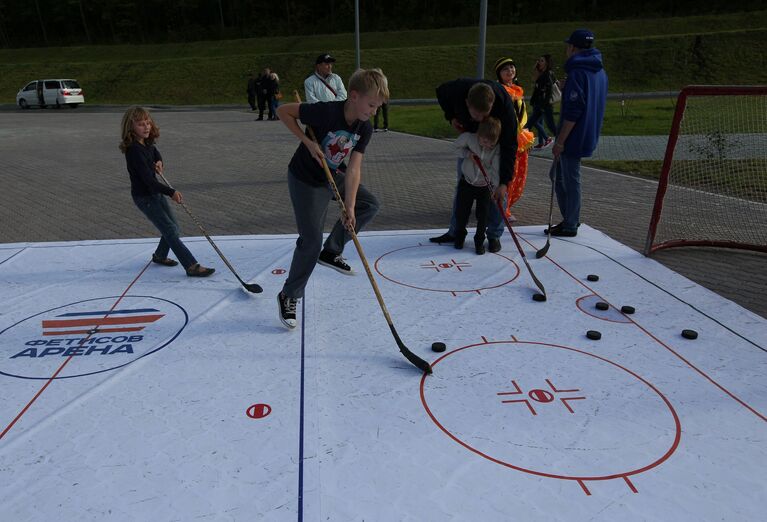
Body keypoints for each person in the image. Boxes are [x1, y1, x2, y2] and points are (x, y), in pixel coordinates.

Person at [275, 68, 387, 329]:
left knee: (367, 204)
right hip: (306, 179)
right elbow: (283, 111)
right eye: (371, 105)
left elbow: (355, 168)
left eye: (378, 107)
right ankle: (288, 295)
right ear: (355, 96)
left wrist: (348, 206)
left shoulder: (364, 127)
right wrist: (307, 142)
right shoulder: (325, 112)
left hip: (333, 174)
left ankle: (332, 251)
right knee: (310, 242)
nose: (373, 111)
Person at [119, 107, 215, 277]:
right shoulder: (134, 150)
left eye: (148, 123)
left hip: (155, 193)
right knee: (170, 230)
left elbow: (154, 152)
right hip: (145, 197)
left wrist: (159, 161)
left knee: (173, 227)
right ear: (131, 127)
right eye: (141, 124)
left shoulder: (146, 142)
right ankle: (191, 265)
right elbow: (148, 181)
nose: (146, 127)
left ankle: (160, 256)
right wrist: (171, 192)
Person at [429, 80, 518, 253]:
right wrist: (451, 116)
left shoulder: (505, 110)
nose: (481, 120)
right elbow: (440, 92)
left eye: (485, 116)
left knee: (499, 194)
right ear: (467, 103)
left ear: (492, 106)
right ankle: (455, 232)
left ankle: (494, 235)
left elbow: (510, 146)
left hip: (494, 148)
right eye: (477, 116)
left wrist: (504, 183)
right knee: (463, 187)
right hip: (471, 145)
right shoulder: (456, 90)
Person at [548, 29, 608, 237]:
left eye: (568, 46)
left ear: (573, 48)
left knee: (567, 179)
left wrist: (560, 141)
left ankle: (570, 223)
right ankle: (570, 219)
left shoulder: (577, 72)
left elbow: (574, 111)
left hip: (573, 136)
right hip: (589, 131)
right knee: (560, 175)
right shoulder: (598, 70)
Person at [493, 57, 535, 221]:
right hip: (508, 138)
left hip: (521, 138)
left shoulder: (518, 91)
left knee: (520, 175)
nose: (509, 71)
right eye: (505, 69)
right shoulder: (500, 91)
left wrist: (526, 135)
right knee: (509, 173)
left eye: (511, 67)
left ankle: (507, 205)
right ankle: (502, 208)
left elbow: (523, 116)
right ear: (499, 74)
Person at [453, 118, 501, 255]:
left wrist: (495, 187)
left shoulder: (496, 149)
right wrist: (467, 154)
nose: (488, 145)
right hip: (466, 183)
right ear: (479, 135)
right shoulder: (469, 138)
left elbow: (496, 169)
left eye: (492, 143)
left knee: (483, 215)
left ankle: (479, 241)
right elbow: (454, 147)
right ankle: (459, 235)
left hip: (484, 187)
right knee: (461, 213)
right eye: (485, 141)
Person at [527, 54, 558, 149]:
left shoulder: (547, 74)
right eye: (539, 60)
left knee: (551, 125)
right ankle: (520, 143)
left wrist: (543, 105)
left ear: (547, 63)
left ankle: (562, 140)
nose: (539, 62)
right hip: (539, 104)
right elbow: (536, 83)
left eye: (541, 61)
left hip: (544, 105)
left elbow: (548, 91)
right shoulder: (542, 74)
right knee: (530, 124)